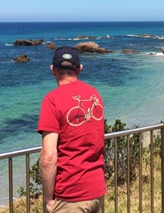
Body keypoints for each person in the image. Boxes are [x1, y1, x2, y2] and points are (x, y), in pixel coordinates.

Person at [37, 46, 106, 213]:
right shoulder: (94, 94)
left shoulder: (51, 100)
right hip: (97, 190)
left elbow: (49, 157)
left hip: (70, 195)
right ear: (80, 69)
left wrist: (48, 200)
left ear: (53, 70)